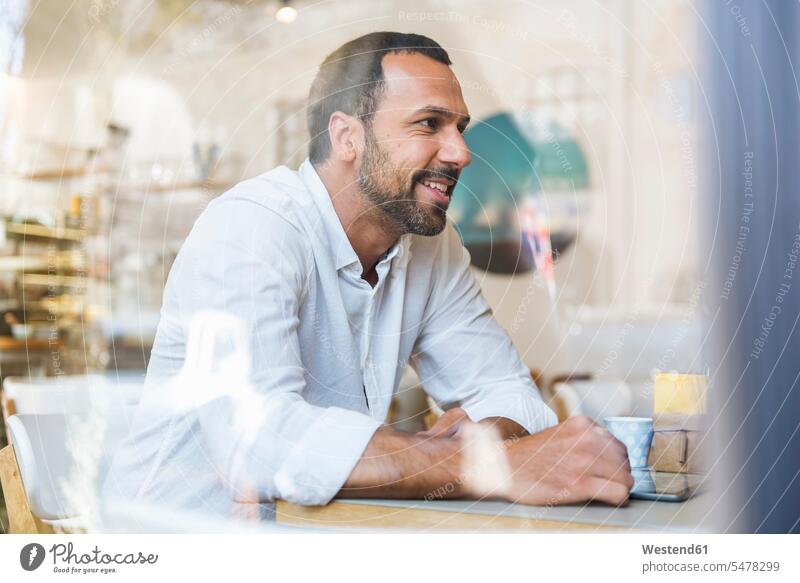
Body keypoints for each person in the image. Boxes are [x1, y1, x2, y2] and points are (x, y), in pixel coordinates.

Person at [105, 32, 632, 519]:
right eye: (429, 124)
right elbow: (259, 442)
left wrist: (477, 441)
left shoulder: (432, 247)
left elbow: (512, 396)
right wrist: (488, 464)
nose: (461, 153)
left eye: (459, 128)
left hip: (313, 545)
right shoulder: (251, 226)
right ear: (347, 137)